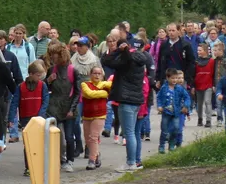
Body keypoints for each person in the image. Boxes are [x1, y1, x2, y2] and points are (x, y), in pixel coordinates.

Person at [102, 37, 147, 172]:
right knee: (132, 132)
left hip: (125, 100)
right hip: (136, 101)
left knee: (129, 133)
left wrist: (116, 51)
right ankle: (134, 161)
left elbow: (106, 60)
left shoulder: (126, 61)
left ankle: (131, 162)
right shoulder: (140, 59)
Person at [8, 60, 49, 176]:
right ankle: (28, 167)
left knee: (40, 143)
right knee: (28, 144)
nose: (39, 77)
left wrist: (41, 114)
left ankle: (39, 166)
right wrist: (11, 119)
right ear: (31, 74)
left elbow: (45, 100)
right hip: (26, 118)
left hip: (39, 119)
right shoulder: (21, 87)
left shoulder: (43, 85)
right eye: (38, 75)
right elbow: (14, 103)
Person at [45, 43, 80, 172]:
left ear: (60, 55)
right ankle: (59, 160)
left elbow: (77, 92)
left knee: (69, 137)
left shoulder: (73, 70)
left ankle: (70, 161)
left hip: (69, 107)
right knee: (56, 136)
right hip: (54, 107)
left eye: (53, 54)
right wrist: (48, 81)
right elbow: (45, 89)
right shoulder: (51, 70)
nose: (52, 57)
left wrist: (72, 109)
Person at [81, 66, 111, 170]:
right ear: (90, 74)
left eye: (99, 73)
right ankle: (97, 155)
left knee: (94, 137)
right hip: (87, 115)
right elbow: (88, 94)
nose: (97, 75)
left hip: (100, 115)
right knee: (87, 139)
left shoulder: (106, 85)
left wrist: (103, 87)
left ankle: (92, 160)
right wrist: (103, 93)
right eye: (95, 73)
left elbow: (113, 84)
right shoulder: (85, 84)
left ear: (102, 75)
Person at [157, 68, 191, 153]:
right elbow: (159, 97)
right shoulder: (164, 88)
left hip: (176, 113)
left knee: (176, 129)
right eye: (172, 78)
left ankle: (172, 144)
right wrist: (159, 106)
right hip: (166, 112)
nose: (175, 80)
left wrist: (186, 106)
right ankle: (161, 146)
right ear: (167, 78)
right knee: (164, 130)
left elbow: (187, 97)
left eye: (176, 78)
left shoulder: (179, 88)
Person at [157, 23, 195, 88]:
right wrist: (158, 78)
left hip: (180, 79)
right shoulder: (164, 45)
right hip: (167, 78)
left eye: (173, 30)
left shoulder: (185, 45)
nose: (171, 33)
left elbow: (191, 62)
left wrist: (187, 78)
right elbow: (160, 62)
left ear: (178, 31)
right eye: (169, 30)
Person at [193, 43, 215, 127]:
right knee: (199, 103)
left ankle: (208, 120)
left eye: (200, 50)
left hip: (208, 84)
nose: (198, 52)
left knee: (207, 101)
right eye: (198, 50)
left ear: (205, 51)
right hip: (198, 85)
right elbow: (193, 74)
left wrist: (214, 85)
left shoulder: (212, 61)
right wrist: (193, 86)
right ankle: (200, 119)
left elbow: (214, 74)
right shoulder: (196, 61)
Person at [211, 41, 226, 126]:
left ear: (222, 51)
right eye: (214, 50)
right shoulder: (213, 61)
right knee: (218, 103)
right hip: (217, 85)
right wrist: (213, 85)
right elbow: (212, 74)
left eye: (217, 50)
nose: (215, 52)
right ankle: (219, 119)